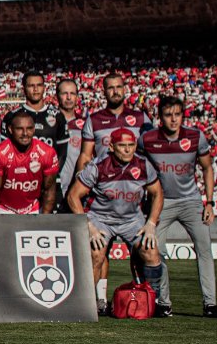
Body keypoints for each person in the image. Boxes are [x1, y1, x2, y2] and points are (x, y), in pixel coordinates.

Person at [66, 128, 165, 316]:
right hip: (101, 219)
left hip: (131, 220)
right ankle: (88, 304)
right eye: (122, 146)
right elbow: (73, 196)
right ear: (111, 146)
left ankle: (154, 300)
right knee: (97, 253)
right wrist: (88, 226)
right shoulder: (98, 166)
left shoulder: (144, 165)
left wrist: (151, 223)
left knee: (150, 251)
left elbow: (157, 193)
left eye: (131, 145)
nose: (127, 150)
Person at [141, 96, 217, 318]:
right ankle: (163, 303)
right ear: (160, 117)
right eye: (168, 115)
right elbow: (137, 170)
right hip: (161, 203)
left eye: (177, 114)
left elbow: (207, 168)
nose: (173, 119)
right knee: (156, 251)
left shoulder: (196, 137)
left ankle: (210, 304)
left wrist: (210, 202)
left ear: (182, 115)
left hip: (192, 202)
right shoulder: (147, 139)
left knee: (204, 249)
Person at [0, 109, 60, 214]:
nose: (25, 133)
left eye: (29, 128)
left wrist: (44, 221)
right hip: (5, 210)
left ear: (34, 129)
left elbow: (49, 192)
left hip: (34, 210)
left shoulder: (47, 153)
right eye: (20, 129)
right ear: (10, 129)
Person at [75, 73, 152, 172]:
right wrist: (81, 179)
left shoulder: (141, 118)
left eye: (119, 87)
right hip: (104, 182)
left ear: (124, 90)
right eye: (111, 88)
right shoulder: (93, 120)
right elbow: (85, 156)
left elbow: (152, 151)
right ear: (104, 92)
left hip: (136, 182)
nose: (115, 91)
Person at [0, 72, 68, 165]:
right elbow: (5, 152)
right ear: (24, 89)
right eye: (31, 86)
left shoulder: (58, 116)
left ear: (44, 88)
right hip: (20, 176)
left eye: (39, 85)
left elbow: (62, 154)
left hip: (49, 176)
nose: (35, 89)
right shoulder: (11, 116)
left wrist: (53, 176)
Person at [55, 78, 85, 208]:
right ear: (57, 96)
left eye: (72, 93)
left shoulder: (85, 125)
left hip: (77, 190)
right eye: (64, 93)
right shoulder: (48, 123)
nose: (68, 97)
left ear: (77, 96)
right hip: (51, 189)